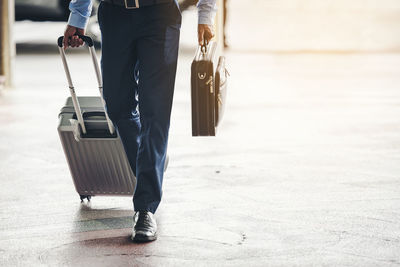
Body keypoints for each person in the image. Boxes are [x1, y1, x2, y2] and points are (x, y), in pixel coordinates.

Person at [63, 0, 216, 242]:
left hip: (160, 14)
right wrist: (78, 15)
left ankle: (145, 208)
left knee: (155, 108)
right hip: (114, 14)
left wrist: (206, 14)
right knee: (116, 103)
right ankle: (151, 160)